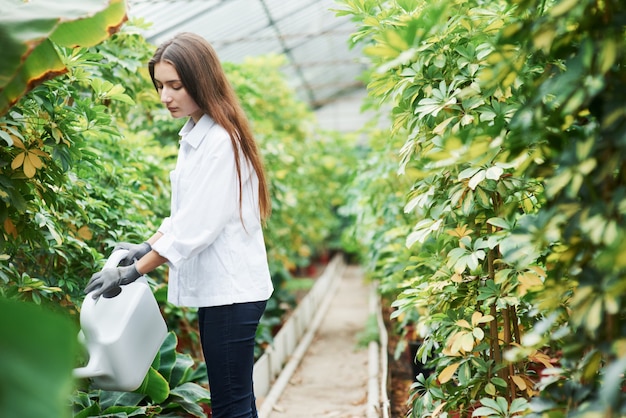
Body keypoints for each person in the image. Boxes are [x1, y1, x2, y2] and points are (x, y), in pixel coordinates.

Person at [84, 32, 274, 418]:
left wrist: (132, 272)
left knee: (230, 403)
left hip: (231, 292)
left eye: (175, 85)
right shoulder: (198, 135)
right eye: (159, 86)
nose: (165, 97)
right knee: (233, 398)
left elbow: (196, 229)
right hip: (224, 292)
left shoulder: (220, 142)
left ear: (201, 81)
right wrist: (145, 245)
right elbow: (184, 215)